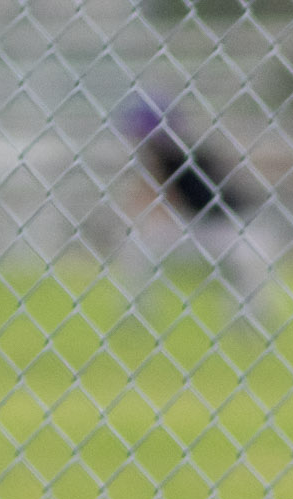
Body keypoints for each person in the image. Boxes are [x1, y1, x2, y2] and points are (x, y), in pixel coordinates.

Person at [112, 92, 279, 328]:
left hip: (229, 227)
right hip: (201, 229)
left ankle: (249, 319)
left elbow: (160, 201)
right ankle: (137, 312)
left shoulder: (178, 156)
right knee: (138, 245)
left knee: (247, 261)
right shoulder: (166, 156)